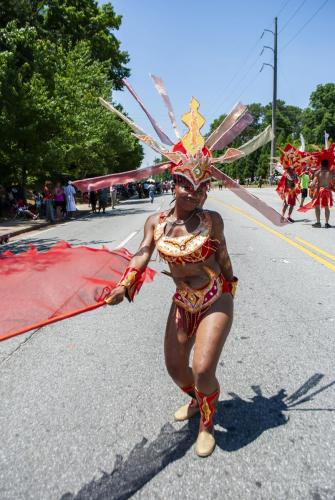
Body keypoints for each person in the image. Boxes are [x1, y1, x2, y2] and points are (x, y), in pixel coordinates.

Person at [104, 104, 238, 458]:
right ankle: (198, 400)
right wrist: (124, 286)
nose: (196, 195)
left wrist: (231, 283)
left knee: (202, 367)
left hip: (214, 298)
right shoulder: (156, 222)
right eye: (189, 187)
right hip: (182, 301)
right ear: (175, 184)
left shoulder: (213, 220)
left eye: (202, 189)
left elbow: (223, 255)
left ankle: (207, 422)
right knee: (176, 368)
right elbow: (142, 254)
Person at [308, 159, 334, 228]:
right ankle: (326, 223)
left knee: (317, 207)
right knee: (326, 207)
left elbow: (312, 184)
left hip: (319, 191)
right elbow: (334, 184)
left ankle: (318, 222)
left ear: (321, 165)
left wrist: (310, 186)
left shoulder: (317, 172)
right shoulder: (331, 173)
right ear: (328, 165)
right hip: (327, 191)